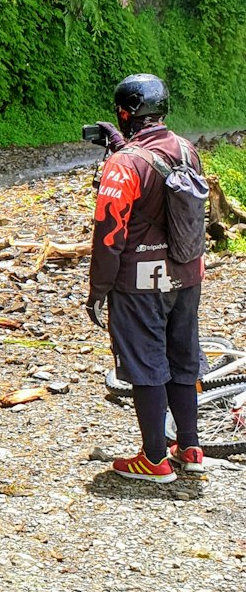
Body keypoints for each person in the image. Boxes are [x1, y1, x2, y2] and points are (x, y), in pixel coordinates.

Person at [86, 73, 205, 482]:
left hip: (140, 281)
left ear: (124, 113)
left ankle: (154, 458)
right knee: (182, 357)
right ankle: (189, 447)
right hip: (188, 274)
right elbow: (161, 180)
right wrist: (121, 149)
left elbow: (109, 232)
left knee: (145, 362)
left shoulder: (124, 164)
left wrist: (98, 289)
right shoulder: (188, 150)